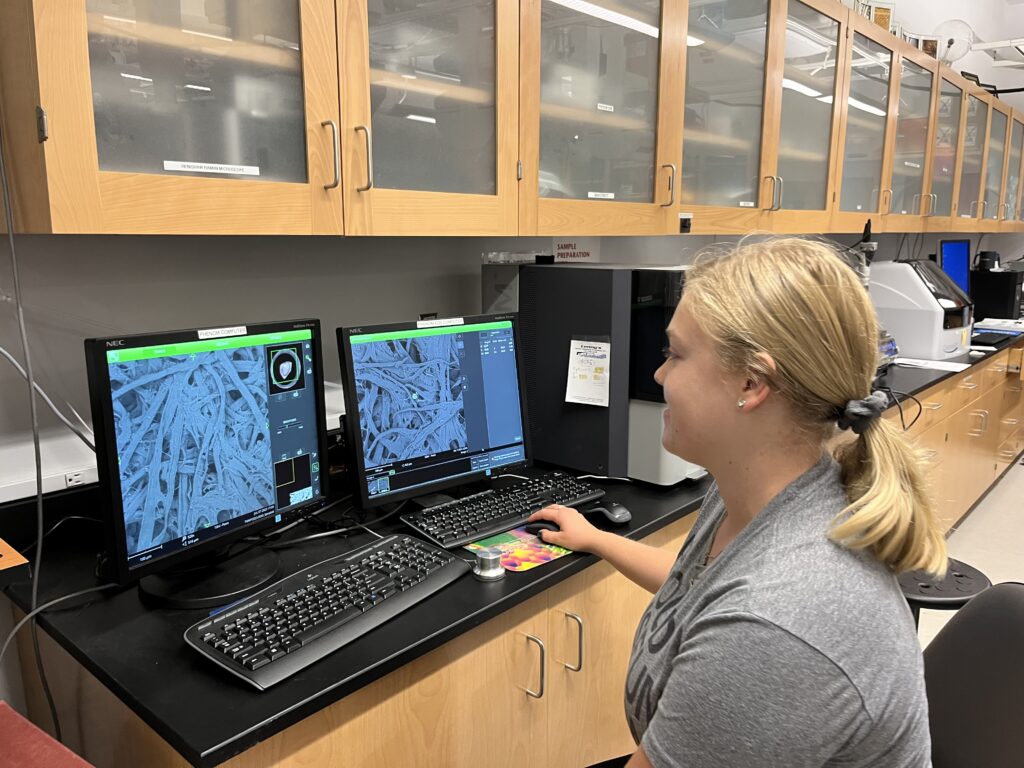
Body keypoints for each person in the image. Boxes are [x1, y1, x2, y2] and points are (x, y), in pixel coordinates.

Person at [527, 237, 947, 768]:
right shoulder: (762, 494)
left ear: (752, 383)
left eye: (674, 355)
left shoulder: (776, 627)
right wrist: (599, 540)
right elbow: (703, 588)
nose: (658, 375)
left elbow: (742, 613)